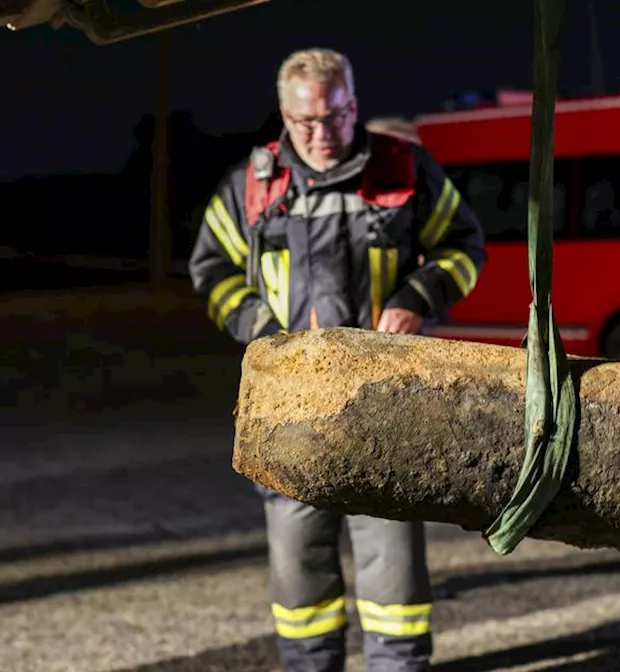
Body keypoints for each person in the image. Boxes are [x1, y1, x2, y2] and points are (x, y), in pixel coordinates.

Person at [189, 48, 486, 672]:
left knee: (395, 573)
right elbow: (211, 267)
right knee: (298, 568)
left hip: (389, 409)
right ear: (283, 115)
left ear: (354, 105)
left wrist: (416, 297)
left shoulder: (404, 167)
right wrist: (263, 334)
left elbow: (465, 245)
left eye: (336, 116)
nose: (321, 133)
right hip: (290, 414)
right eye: (305, 122)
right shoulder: (254, 182)